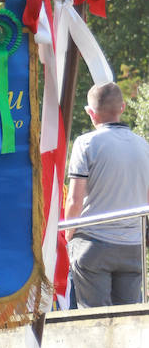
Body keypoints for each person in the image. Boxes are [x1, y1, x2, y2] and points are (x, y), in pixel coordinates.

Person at [66, 81, 149, 309]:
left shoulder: (85, 144)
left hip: (94, 244)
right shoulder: (144, 146)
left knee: (94, 319)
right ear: (122, 107)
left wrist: (68, 234)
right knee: (128, 320)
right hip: (133, 247)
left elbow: (74, 199)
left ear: (90, 113)